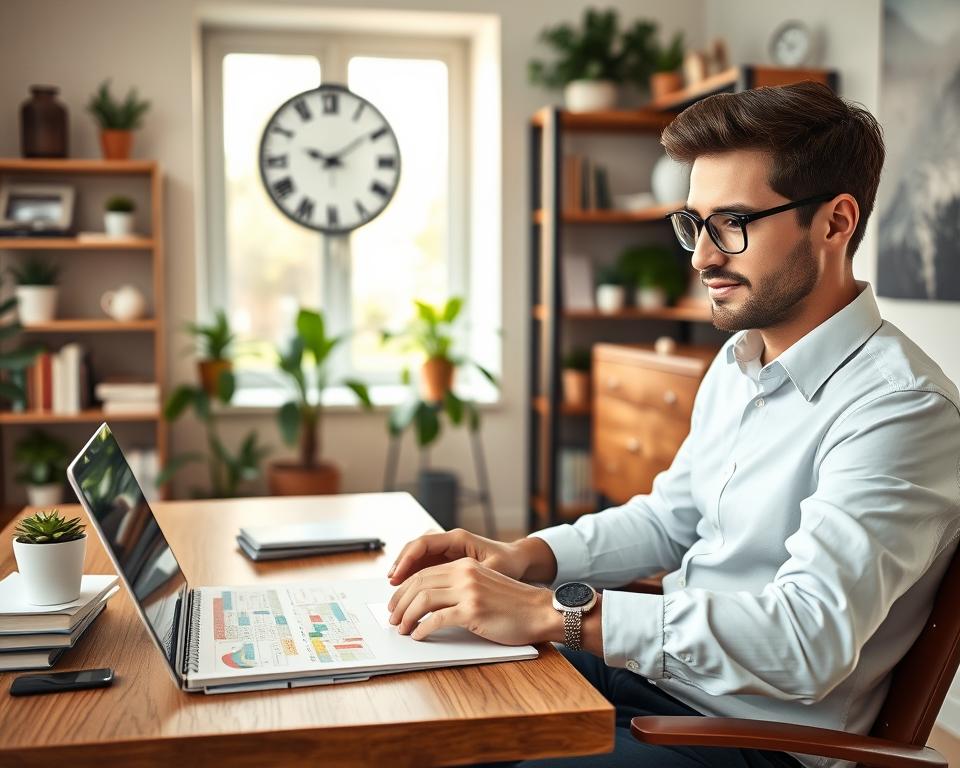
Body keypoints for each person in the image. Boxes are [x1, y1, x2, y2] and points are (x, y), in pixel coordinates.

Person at [385, 81, 960, 768]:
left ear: (835, 224)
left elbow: (807, 642)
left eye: (733, 224)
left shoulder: (900, 409)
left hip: (754, 740)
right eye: (694, 223)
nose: (701, 258)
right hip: (659, 685)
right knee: (426, 696)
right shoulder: (740, 359)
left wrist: (557, 613)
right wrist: (525, 559)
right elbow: (670, 519)